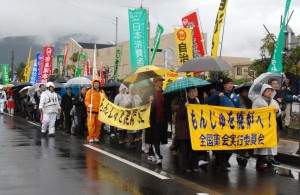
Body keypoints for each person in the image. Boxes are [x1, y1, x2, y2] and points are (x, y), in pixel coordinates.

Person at [206, 78, 241, 171]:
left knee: (231, 144)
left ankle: (223, 161)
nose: (230, 85)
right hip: (220, 123)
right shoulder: (218, 94)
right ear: (224, 85)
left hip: (231, 124)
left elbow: (239, 108)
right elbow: (208, 102)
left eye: (232, 83)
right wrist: (217, 95)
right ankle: (222, 163)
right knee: (220, 144)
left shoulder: (234, 96)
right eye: (229, 83)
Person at [176, 87, 208, 172]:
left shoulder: (197, 102)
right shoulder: (183, 102)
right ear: (188, 93)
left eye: (195, 91)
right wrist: (185, 107)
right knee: (185, 151)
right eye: (192, 91)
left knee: (194, 149)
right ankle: (186, 166)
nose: (194, 93)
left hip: (194, 131)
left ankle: (194, 166)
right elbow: (180, 116)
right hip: (184, 130)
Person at [252, 84, 281, 170]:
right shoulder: (257, 101)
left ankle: (269, 159)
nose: (269, 92)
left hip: (271, 126)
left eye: (271, 91)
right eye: (267, 91)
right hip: (261, 126)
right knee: (262, 143)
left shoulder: (274, 102)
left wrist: (277, 111)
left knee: (270, 143)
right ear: (263, 91)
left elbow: (279, 114)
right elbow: (254, 113)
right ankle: (261, 161)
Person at [145, 75, 172, 166]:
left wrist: (169, 118)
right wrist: (148, 101)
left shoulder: (164, 94)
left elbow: (168, 106)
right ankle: (158, 157)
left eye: (162, 81)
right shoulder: (150, 93)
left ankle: (151, 153)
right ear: (155, 82)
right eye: (160, 81)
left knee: (158, 138)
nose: (161, 82)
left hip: (162, 120)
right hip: (152, 120)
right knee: (155, 138)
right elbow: (142, 105)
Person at [85, 79, 106, 143]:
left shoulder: (102, 91)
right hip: (91, 111)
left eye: (97, 83)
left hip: (99, 111)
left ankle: (96, 136)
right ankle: (91, 137)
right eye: (95, 83)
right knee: (91, 125)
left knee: (98, 125)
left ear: (99, 84)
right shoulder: (89, 91)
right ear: (93, 84)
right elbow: (86, 100)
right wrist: (88, 105)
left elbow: (105, 100)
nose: (96, 85)